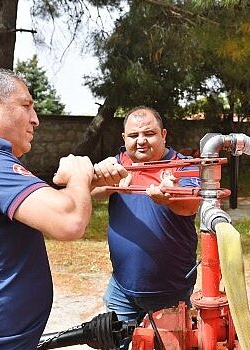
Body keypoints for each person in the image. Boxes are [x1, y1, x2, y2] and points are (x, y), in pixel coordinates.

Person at [0, 68, 126, 350]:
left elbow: (47, 207)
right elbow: (69, 222)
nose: (36, 119)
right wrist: (78, 171)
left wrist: (84, 187)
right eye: (26, 106)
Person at [91, 106, 201, 347]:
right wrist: (108, 183)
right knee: (112, 344)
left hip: (170, 292)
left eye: (148, 134)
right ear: (124, 139)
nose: (140, 141)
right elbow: (92, 191)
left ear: (163, 134)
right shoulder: (119, 163)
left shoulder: (184, 165)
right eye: (133, 136)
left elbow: (191, 206)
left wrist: (170, 197)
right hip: (122, 288)